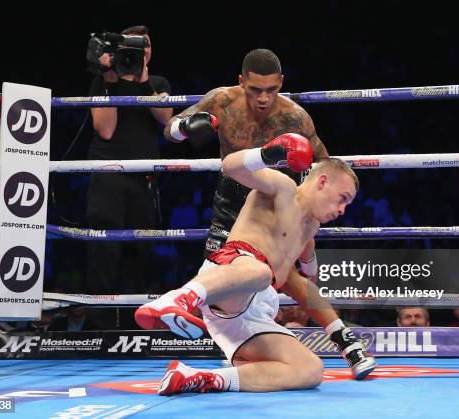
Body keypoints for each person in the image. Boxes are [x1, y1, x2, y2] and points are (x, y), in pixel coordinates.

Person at [161, 49, 367, 376]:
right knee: (226, 278)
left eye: (271, 90)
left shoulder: (295, 118)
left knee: (286, 277)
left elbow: (325, 167)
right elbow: (169, 129)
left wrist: (308, 213)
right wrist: (186, 127)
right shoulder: (221, 101)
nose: (263, 98)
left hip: (274, 198)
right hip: (233, 199)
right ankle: (200, 321)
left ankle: (338, 339)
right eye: (255, 90)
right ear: (241, 82)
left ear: (281, 84)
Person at [136, 135, 376, 395]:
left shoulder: (310, 227)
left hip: (252, 314)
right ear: (322, 181)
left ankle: (198, 377)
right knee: (262, 271)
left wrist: (338, 332)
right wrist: (266, 154)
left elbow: (306, 282)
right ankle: (178, 299)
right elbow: (231, 166)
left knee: (310, 369)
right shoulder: (283, 188)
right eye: (343, 198)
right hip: (232, 278)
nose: (342, 210)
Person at [85, 25, 173, 327]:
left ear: (150, 50)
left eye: (145, 44)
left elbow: (167, 121)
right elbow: (106, 130)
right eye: (135, 45)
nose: (141, 50)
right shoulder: (102, 81)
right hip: (107, 172)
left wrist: (144, 83)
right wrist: (110, 79)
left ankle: (135, 329)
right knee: (103, 250)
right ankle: (99, 328)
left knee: (139, 252)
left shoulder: (158, 83)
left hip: (143, 177)